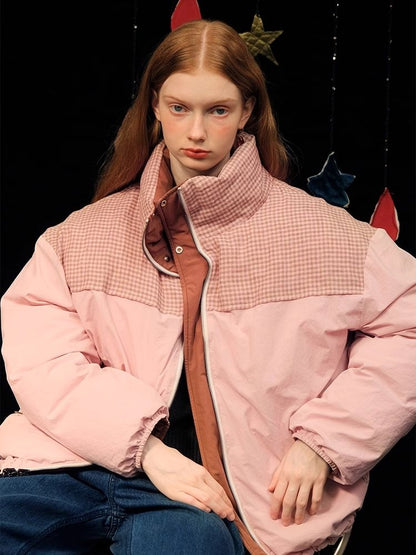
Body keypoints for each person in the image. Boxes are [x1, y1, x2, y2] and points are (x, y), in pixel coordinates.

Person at [0, 18, 415, 555]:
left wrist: (326, 441)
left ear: (247, 111)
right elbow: (44, 364)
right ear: (154, 106)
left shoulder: (328, 238)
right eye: (179, 108)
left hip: (209, 500)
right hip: (67, 464)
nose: (196, 132)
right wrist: (149, 451)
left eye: (217, 110)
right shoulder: (78, 238)